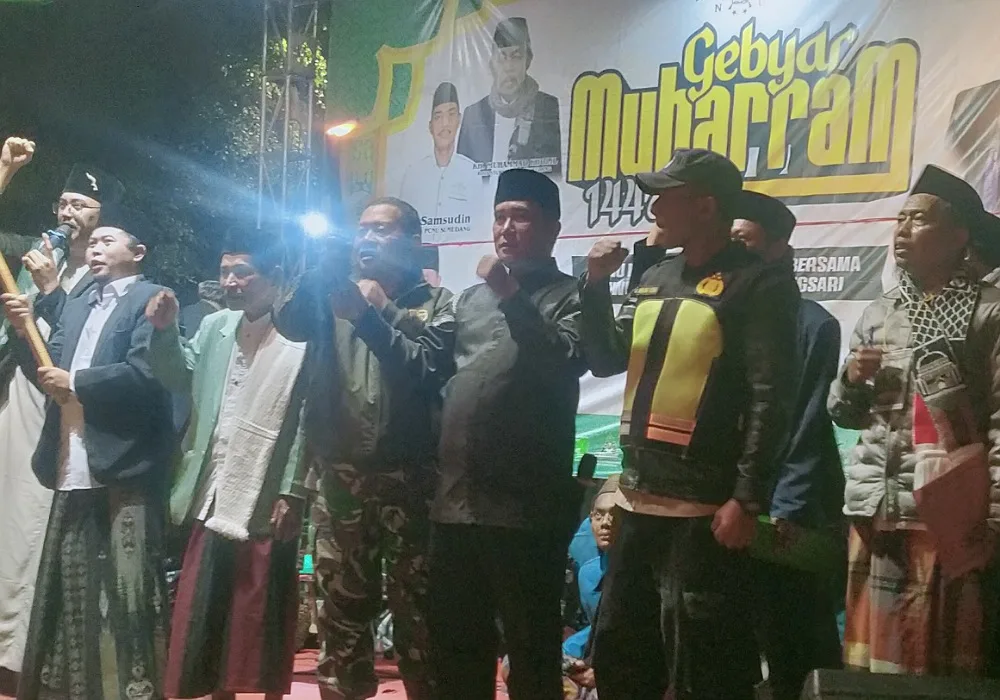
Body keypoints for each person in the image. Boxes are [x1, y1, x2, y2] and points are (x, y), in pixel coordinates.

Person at [338, 168, 586, 700]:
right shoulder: (471, 300)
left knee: (530, 654)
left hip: (526, 509)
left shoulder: (573, 295)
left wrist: (511, 294)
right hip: (454, 504)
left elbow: (563, 359)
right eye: (499, 217)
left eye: (520, 217)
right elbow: (425, 365)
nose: (506, 228)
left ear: (553, 227)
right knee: (456, 652)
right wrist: (369, 319)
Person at [580, 149, 799, 700]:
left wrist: (746, 498)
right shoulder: (656, 274)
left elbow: (771, 399)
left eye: (666, 196)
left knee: (704, 664)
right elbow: (606, 359)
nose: (654, 207)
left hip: (704, 511)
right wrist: (595, 285)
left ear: (705, 207)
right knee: (620, 653)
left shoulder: (759, 284)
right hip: (637, 498)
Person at [274, 196, 452, 700]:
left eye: (382, 229)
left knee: (419, 611)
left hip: (412, 480)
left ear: (413, 241)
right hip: (341, 477)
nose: (368, 238)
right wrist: (322, 269)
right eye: (363, 229)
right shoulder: (331, 295)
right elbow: (288, 322)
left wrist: (378, 311)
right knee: (340, 609)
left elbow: (428, 367)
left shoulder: (439, 303)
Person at [829, 164, 1000, 676]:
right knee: (871, 663)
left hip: (948, 517)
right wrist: (850, 381)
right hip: (877, 508)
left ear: (960, 236)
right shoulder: (880, 312)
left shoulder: (988, 313)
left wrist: (994, 516)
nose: (902, 230)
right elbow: (844, 414)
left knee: (937, 662)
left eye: (919, 220)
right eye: (900, 219)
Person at [0, 205, 174, 700]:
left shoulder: (151, 298)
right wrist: (25, 331)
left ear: (138, 253)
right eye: (93, 243)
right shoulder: (78, 302)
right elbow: (50, 362)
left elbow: (146, 374)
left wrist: (76, 381)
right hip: (70, 461)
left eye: (107, 241)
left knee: (128, 592)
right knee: (71, 590)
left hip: (123, 466)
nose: (95, 248)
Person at [146, 228, 309, 700]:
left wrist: (292, 489)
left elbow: (306, 419)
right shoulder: (216, 326)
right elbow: (178, 376)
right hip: (212, 481)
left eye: (243, 272)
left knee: (260, 608)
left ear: (275, 275)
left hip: (266, 488)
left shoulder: (300, 333)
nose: (230, 282)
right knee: (206, 607)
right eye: (224, 272)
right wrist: (165, 332)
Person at [0, 149, 125, 680]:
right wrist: (5, 170)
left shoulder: (108, 273)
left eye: (81, 205)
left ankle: (21, 653)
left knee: (32, 520)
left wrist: (52, 290)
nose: (68, 213)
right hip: (16, 392)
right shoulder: (36, 252)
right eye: (63, 203)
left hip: (63, 406)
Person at [731, 191, 845, 700]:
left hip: (785, 508)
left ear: (779, 247)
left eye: (743, 240)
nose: (733, 250)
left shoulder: (813, 324)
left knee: (795, 641)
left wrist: (787, 505)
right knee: (730, 640)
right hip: (726, 502)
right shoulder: (722, 311)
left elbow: (807, 422)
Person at [457, 18, 562, 176]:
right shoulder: (473, 115)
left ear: (527, 61)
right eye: (502, 58)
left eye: (516, 57)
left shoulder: (547, 106)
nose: (508, 67)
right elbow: (462, 177)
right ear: (492, 63)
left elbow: (554, 174)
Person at [399, 82, 479, 243]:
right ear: (430, 126)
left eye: (451, 115)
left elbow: (480, 225)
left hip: (461, 256)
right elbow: (403, 225)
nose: (445, 124)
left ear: (459, 120)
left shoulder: (473, 172)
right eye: (438, 117)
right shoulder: (413, 173)